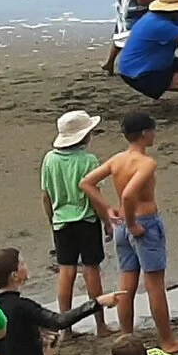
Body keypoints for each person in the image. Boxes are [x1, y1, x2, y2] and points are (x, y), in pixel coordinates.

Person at [79, 111, 178, 349]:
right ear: (145, 133)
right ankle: (167, 340)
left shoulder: (117, 159)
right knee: (155, 284)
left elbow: (87, 183)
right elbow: (128, 194)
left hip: (121, 228)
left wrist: (108, 209)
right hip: (142, 224)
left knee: (127, 283)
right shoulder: (146, 163)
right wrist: (133, 222)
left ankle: (126, 336)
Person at [40, 109, 112, 327]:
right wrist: (106, 221)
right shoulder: (88, 160)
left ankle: (65, 325)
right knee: (92, 268)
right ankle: (100, 324)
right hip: (87, 219)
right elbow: (94, 196)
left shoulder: (50, 159)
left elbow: (46, 195)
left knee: (66, 269)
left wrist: (51, 219)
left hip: (61, 220)